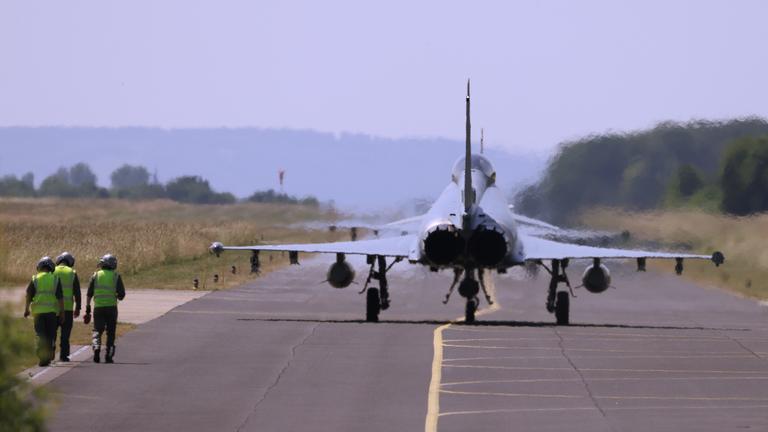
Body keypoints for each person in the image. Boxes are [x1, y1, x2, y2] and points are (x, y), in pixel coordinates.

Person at [84, 254, 125, 364]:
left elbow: (89, 294)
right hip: (111, 308)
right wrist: (117, 296)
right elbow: (122, 294)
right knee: (111, 333)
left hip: (98, 308)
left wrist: (87, 309)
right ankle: (109, 356)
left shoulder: (95, 275)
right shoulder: (116, 276)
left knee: (97, 330)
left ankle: (96, 351)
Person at [24, 256, 64, 367]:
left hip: (38, 313)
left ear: (40, 266)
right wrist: (62, 313)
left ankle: (42, 357)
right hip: (51, 313)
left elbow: (28, 296)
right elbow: (60, 298)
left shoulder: (34, 279)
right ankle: (49, 353)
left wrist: (26, 309)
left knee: (40, 335)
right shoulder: (55, 279)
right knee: (50, 335)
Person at [54, 252, 82, 362]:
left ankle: (50, 353)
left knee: (52, 333)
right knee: (65, 334)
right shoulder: (72, 272)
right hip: (68, 309)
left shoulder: (52, 271)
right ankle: (64, 355)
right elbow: (77, 292)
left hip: (54, 308)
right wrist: (78, 308)